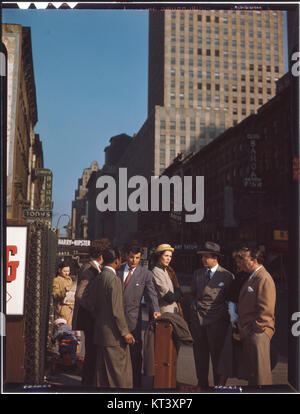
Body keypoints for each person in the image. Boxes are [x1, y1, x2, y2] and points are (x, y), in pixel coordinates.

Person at [189, 241, 234, 389]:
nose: (203, 260)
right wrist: (193, 310)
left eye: (206, 257)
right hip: (198, 321)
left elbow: (230, 299)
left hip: (217, 322)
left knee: (217, 356)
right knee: (200, 355)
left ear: (215, 258)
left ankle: (217, 386)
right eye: (202, 257)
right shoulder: (197, 273)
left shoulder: (227, 276)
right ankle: (201, 384)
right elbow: (193, 294)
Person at [116, 243, 161, 388]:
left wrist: (155, 309)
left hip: (133, 319)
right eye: (131, 257)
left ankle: (136, 385)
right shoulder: (117, 270)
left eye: (137, 258)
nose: (134, 260)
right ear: (126, 256)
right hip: (115, 317)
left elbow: (151, 294)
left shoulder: (145, 274)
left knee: (135, 353)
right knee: (117, 352)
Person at [92, 247, 135, 389]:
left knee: (102, 376)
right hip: (114, 336)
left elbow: (91, 303)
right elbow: (117, 311)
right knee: (120, 377)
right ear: (117, 261)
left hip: (101, 333)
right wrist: (125, 332)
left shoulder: (98, 277)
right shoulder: (114, 280)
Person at [233, 247, 276, 386]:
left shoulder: (263, 277)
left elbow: (266, 310)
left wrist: (255, 329)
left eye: (243, 259)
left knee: (260, 374)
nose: (240, 262)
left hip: (257, 332)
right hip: (250, 331)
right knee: (253, 373)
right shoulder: (253, 276)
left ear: (254, 260)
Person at [72, 238, 110, 387]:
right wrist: (94, 308)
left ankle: (89, 384)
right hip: (89, 319)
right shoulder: (90, 269)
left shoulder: (94, 267)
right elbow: (80, 294)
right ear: (101, 254)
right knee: (92, 355)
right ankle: (87, 386)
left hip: (90, 319)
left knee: (93, 354)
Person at [151, 244, 184, 314]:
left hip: (172, 310)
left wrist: (177, 294)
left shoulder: (166, 270)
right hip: (164, 311)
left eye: (170, 256)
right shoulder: (156, 271)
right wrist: (178, 294)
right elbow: (169, 297)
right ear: (159, 256)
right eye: (166, 256)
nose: (169, 259)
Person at [52, 261, 73, 325]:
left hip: (70, 308)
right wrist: (64, 291)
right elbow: (54, 295)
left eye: (68, 271)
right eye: (65, 271)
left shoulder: (69, 279)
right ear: (59, 270)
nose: (67, 273)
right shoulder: (56, 280)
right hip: (61, 309)